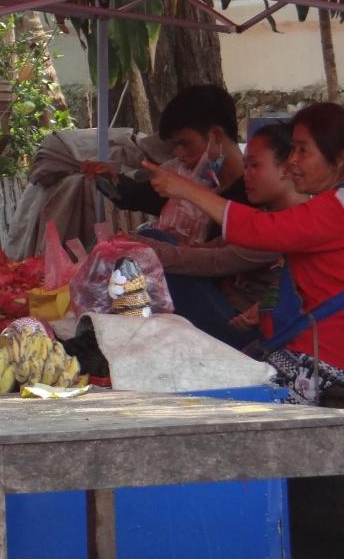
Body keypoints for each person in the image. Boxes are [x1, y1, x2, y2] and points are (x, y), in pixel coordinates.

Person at [146, 103, 344, 399]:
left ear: (338, 159)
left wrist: (187, 190)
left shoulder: (336, 208)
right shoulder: (327, 205)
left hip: (321, 363)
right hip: (296, 345)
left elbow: (261, 230)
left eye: (302, 150)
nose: (293, 160)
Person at [133, 123, 305, 348]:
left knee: (161, 261)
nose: (246, 175)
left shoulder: (285, 226)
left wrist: (139, 246)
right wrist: (142, 242)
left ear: (287, 169)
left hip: (242, 329)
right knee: (154, 238)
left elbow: (213, 262)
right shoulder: (265, 214)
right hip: (228, 305)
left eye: (255, 166)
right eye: (246, 166)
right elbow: (212, 248)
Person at [83, 84, 249, 218]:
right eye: (175, 146)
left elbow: (230, 241)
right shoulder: (193, 178)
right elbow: (139, 196)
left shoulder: (253, 194)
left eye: (185, 144)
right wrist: (111, 179)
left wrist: (189, 192)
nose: (179, 154)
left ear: (216, 136)